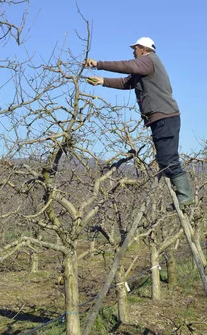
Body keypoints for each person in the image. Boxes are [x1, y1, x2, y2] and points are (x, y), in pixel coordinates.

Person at [83, 36, 193, 207]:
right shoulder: (145, 67)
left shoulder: (148, 61)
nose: (133, 52)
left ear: (142, 49)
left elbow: (126, 66)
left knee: (168, 159)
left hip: (165, 116)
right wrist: (102, 81)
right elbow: (127, 82)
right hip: (161, 117)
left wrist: (99, 64)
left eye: (134, 49)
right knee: (164, 160)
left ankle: (185, 197)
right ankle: (182, 197)